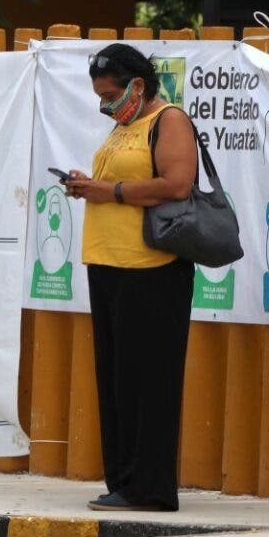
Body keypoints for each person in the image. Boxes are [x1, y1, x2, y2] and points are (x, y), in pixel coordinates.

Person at [63, 43, 197, 512]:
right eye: (98, 96)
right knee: (118, 382)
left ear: (137, 86)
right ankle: (123, 481)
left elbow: (176, 185)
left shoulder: (169, 120)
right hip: (109, 267)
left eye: (110, 94)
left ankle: (151, 488)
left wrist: (107, 190)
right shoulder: (123, 128)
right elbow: (116, 186)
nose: (104, 104)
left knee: (149, 384)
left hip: (152, 272)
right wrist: (89, 184)